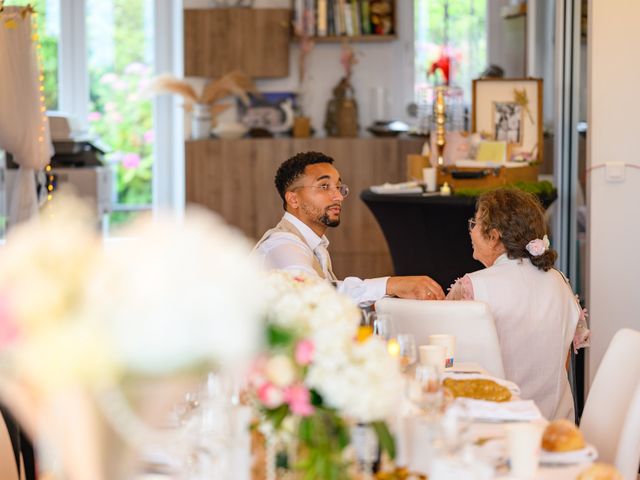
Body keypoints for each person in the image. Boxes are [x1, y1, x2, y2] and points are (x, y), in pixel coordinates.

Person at [447, 188, 590, 420]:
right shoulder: (560, 282)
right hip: (553, 428)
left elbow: (451, 362)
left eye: (475, 223)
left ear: (494, 237)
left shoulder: (472, 287)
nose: (471, 231)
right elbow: (561, 364)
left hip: (494, 425)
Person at [253, 151, 445, 306]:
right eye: (324, 186)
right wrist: (390, 285)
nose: (338, 197)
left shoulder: (313, 246)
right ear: (293, 199)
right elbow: (312, 295)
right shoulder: (282, 245)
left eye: (338, 187)